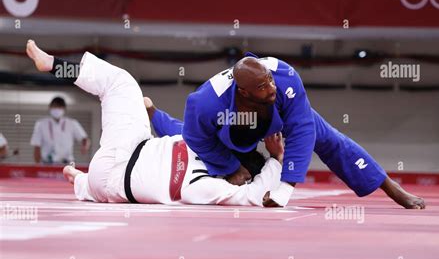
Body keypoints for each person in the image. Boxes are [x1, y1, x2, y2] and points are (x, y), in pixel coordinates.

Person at [26, 40, 284, 207]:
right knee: (97, 185)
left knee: (120, 82)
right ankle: (80, 181)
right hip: (116, 173)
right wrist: (153, 113)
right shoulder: (208, 163)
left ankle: (53, 66)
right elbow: (177, 129)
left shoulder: (211, 187)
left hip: (119, 161)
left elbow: (253, 195)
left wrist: (275, 159)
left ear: (241, 176)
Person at [173, 53, 425, 209]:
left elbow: (303, 133)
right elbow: (195, 138)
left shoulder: (284, 77)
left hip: (274, 117)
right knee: (181, 139)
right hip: (229, 131)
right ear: (244, 92)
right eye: (262, 86)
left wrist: (285, 189)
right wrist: (229, 166)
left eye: (270, 80)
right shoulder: (205, 103)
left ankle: (390, 186)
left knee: (329, 138)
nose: (271, 88)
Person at [30, 96, 90, 164]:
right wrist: (37, 164)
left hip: (67, 163)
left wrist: (85, 147)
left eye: (59, 107)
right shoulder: (41, 124)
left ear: (64, 109)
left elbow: (85, 138)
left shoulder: (72, 123)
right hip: (47, 163)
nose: (57, 109)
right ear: (50, 107)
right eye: (55, 107)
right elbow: (37, 146)